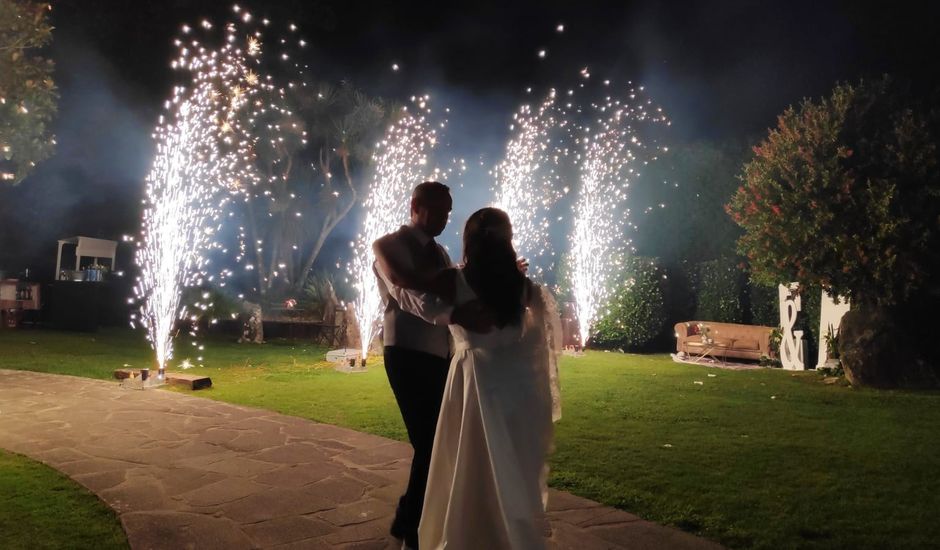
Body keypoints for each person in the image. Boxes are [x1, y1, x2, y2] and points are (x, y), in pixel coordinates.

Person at [382, 207, 562, 550]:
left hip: (473, 381)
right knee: (508, 466)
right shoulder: (524, 287)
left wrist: (380, 249)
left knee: (466, 463)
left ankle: (465, 533)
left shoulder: (453, 280)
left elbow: (406, 288)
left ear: (469, 240)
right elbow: (539, 343)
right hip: (516, 386)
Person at [372, 182, 492, 549]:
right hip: (406, 352)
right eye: (439, 210)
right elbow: (407, 295)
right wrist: (455, 314)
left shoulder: (440, 252)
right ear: (416, 206)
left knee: (436, 442)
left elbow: (453, 284)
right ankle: (411, 525)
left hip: (440, 355)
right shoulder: (389, 245)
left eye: (449, 211)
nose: (445, 218)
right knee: (429, 441)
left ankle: (409, 515)